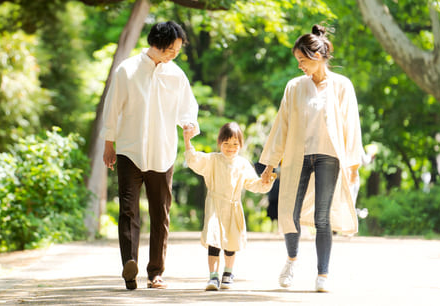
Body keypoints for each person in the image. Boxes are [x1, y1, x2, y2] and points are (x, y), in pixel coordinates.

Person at [260, 24, 365, 293]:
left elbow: (352, 125)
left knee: (322, 216)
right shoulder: (294, 87)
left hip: (329, 156)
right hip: (298, 156)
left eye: (302, 60)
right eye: (298, 61)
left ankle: (323, 274)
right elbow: (281, 126)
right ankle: (292, 260)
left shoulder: (342, 86)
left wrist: (353, 165)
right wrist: (270, 164)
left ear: (317, 56)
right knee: (289, 212)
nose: (300, 66)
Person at [102, 21, 199, 290]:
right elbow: (111, 108)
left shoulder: (176, 75)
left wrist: (189, 124)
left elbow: (188, 108)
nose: (175, 55)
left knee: (160, 214)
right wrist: (108, 144)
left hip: (163, 152)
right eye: (172, 49)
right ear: (157, 44)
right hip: (129, 151)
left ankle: (155, 272)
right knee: (128, 210)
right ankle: (129, 267)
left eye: (178, 51)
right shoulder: (127, 70)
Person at [183, 122, 276, 291]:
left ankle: (228, 273)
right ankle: (213, 276)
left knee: (231, 242)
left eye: (235, 144)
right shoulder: (212, 159)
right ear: (220, 143)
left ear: (240, 144)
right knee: (214, 241)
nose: (231, 148)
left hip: (234, 207)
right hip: (215, 207)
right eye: (226, 143)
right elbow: (194, 159)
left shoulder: (242, 164)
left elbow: (253, 184)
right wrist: (187, 141)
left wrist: (265, 181)